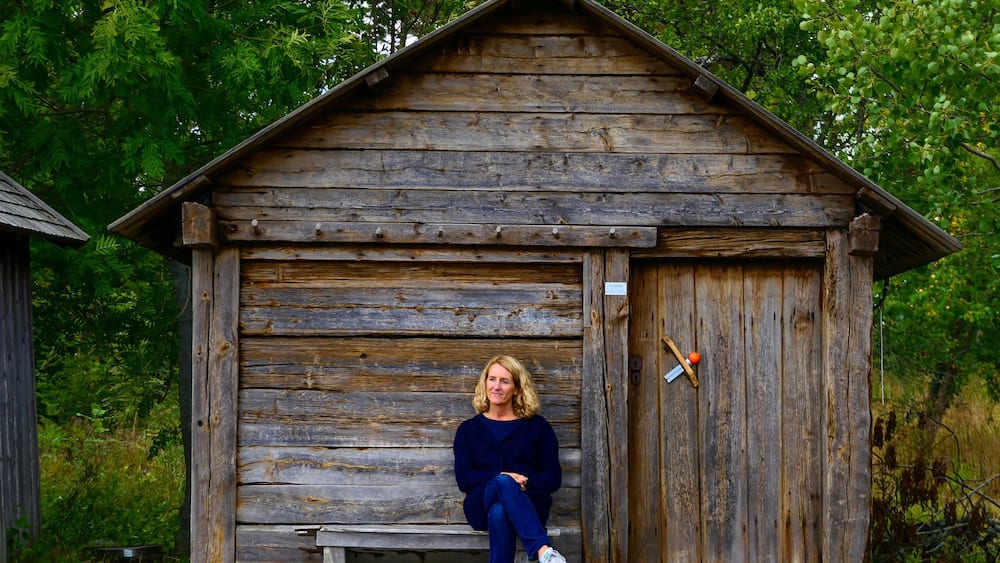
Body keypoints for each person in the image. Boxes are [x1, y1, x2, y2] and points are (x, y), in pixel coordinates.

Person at [453, 355, 568, 563]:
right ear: (485, 383)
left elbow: (553, 477)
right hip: (481, 505)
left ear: (516, 388)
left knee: (500, 511)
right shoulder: (468, 430)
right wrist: (503, 478)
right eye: (492, 379)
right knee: (502, 481)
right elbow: (464, 478)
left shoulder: (537, 427)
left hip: (530, 503)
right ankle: (543, 551)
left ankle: (544, 553)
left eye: (504, 381)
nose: (496, 386)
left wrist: (523, 483)